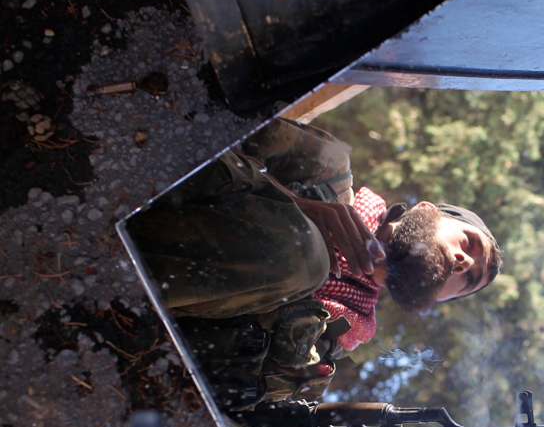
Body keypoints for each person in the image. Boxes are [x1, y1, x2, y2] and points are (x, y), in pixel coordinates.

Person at [126, 117, 502, 405]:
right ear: (426, 210)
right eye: (468, 243)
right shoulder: (325, 167)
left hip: (129, 327)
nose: (464, 263)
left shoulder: (333, 338)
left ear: (439, 299)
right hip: (126, 214)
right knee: (307, 258)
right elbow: (187, 128)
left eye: (468, 281)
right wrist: (293, 203)